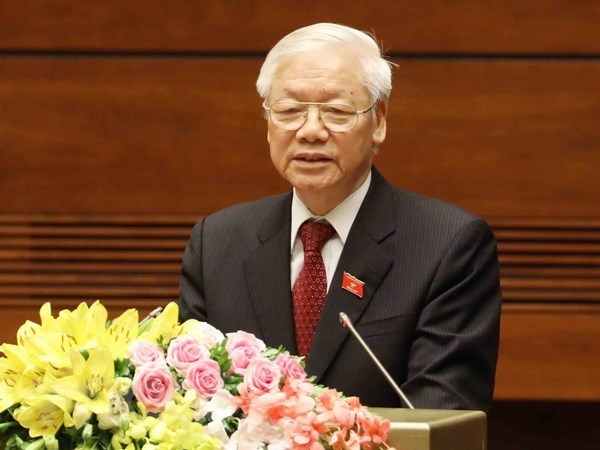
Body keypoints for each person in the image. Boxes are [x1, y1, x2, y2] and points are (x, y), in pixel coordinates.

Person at [179, 23, 502, 411]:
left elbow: (440, 417)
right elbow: (191, 407)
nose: (310, 131)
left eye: (336, 111)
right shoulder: (217, 242)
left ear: (378, 121)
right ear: (267, 121)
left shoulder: (448, 245)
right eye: (289, 110)